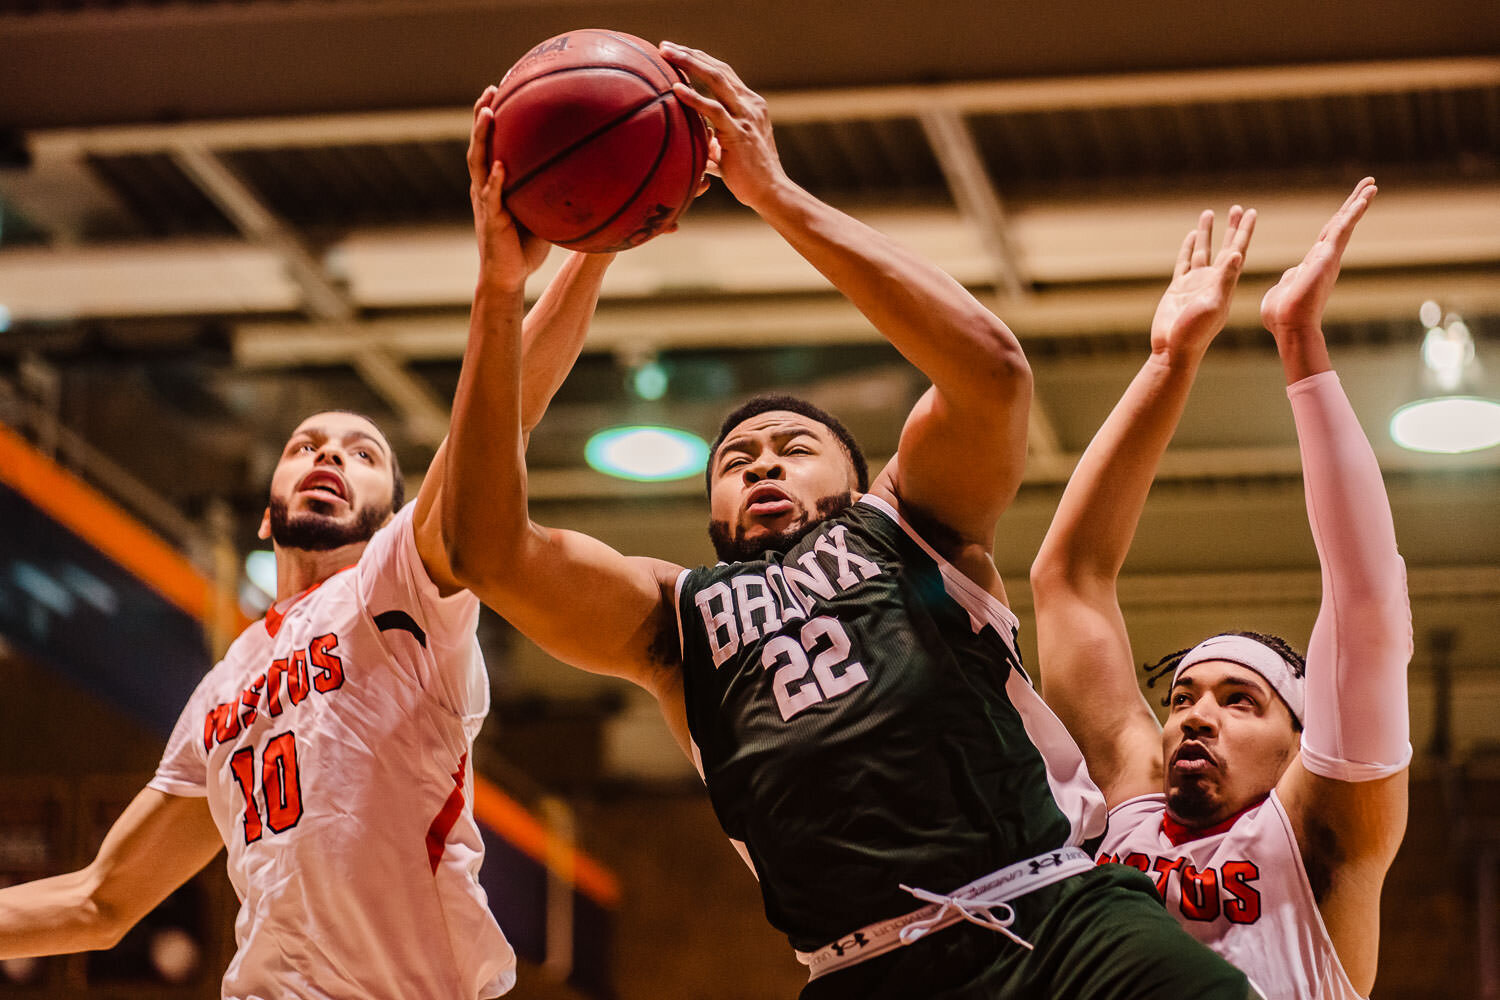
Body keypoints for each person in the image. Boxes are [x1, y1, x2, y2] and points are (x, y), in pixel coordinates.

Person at [442, 41, 1250, 998]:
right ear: (709, 511)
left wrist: (776, 194)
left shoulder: (914, 524)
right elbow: (484, 548)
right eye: (736, 460)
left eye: (792, 445)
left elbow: (991, 370)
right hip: (867, 970)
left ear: (861, 478)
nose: (763, 462)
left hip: (1056, 920)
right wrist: (505, 290)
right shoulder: (673, 621)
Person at [0, 91, 612, 999]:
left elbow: (503, 414)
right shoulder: (220, 690)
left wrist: (583, 247)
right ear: (265, 513)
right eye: (304, 447)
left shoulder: (400, 587)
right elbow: (100, 900)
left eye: (362, 453)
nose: (327, 453)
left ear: (397, 509)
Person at [1029, 178, 1411, 999]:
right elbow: (1069, 580)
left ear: (1300, 743)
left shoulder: (1320, 831)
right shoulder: (1132, 802)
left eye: (1241, 701)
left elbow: (1369, 601)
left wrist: (1300, 342)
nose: (1196, 713)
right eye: (1185, 697)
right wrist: (1170, 361)